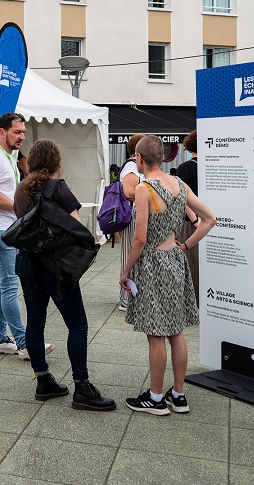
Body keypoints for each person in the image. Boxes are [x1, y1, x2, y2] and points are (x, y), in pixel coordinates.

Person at [14, 140, 115, 411]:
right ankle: (82, 387)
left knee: (35, 321)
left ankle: (43, 380)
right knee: (77, 324)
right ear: (56, 162)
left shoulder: (20, 190)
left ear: (31, 161)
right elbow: (76, 228)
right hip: (56, 268)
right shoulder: (59, 188)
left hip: (27, 264)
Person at [121, 135, 216, 416]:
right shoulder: (179, 184)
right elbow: (210, 219)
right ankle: (179, 395)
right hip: (176, 258)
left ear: (139, 158)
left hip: (152, 262)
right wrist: (186, 244)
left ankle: (156, 398)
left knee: (156, 334)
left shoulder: (144, 188)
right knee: (176, 331)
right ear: (163, 157)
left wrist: (126, 271)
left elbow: (139, 239)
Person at [0, 113, 51, 360]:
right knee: (9, 284)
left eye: (23, 132)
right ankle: (24, 343)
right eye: (17, 132)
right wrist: (23, 208)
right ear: (2, 132)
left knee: (2, 283)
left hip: (8, 228)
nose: (22, 136)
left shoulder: (9, 157)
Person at [118, 133, 146, 311]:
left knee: (133, 255)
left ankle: (131, 295)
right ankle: (126, 298)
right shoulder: (131, 167)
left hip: (134, 215)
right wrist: (152, 195)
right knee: (129, 255)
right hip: (131, 216)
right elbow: (129, 192)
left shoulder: (133, 166)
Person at [173, 131, 200, 296]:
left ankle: (190, 299)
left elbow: (182, 199)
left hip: (189, 223)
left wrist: (195, 220)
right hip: (210, 221)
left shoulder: (183, 168)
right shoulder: (216, 166)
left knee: (190, 263)